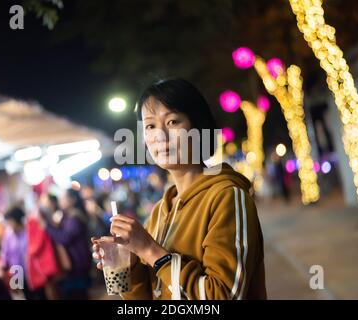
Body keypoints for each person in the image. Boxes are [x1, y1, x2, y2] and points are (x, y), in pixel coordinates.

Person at [92, 78, 266, 300]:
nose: (160, 136)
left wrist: (150, 250)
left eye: (173, 122)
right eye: (150, 126)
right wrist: (131, 262)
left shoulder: (227, 196)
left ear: (199, 127)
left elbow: (223, 296)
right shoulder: (158, 213)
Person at [41, 189, 92, 299]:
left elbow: (64, 238)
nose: (60, 200)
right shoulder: (67, 216)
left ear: (72, 200)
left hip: (78, 264)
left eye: (63, 198)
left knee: (78, 295)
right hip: (75, 263)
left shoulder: (75, 218)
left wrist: (47, 226)